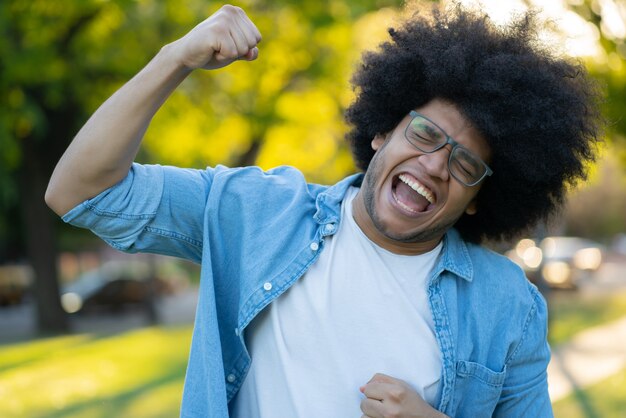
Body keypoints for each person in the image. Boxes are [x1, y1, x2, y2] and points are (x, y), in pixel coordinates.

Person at [45, 3, 602, 418]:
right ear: (382, 131)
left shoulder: (508, 306)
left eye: (464, 165)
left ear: (480, 197)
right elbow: (79, 192)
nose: (435, 166)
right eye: (425, 133)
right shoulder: (256, 212)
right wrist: (175, 59)